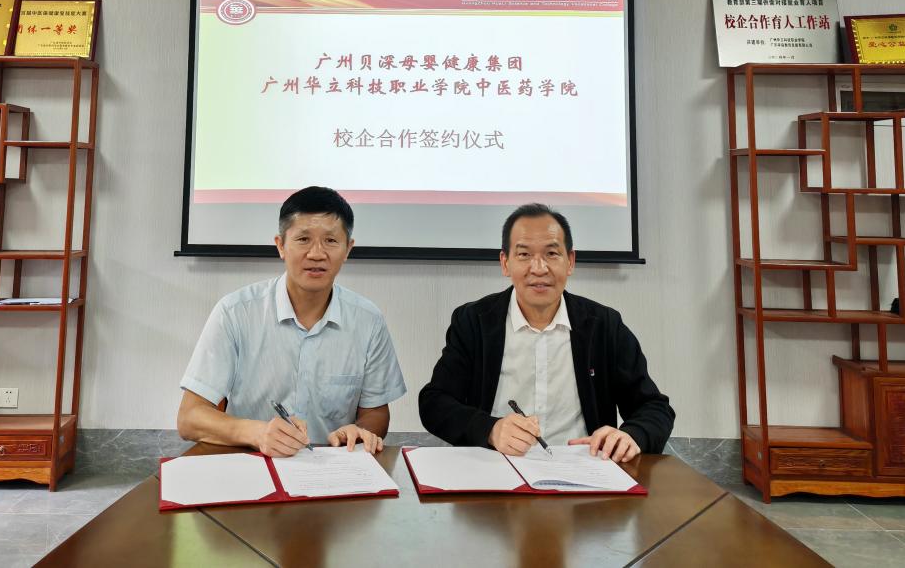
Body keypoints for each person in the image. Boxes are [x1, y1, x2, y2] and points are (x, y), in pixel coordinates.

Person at [419, 203, 673, 462]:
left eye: (552, 253)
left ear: (570, 261)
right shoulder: (474, 322)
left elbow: (654, 408)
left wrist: (632, 435)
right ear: (505, 263)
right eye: (524, 254)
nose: (539, 268)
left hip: (583, 469)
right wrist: (490, 429)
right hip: (496, 467)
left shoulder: (604, 326)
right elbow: (434, 402)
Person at [177, 186, 406, 457]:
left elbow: (376, 413)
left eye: (331, 241)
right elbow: (189, 418)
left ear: (348, 249)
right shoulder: (235, 313)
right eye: (303, 239)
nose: (317, 253)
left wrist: (358, 431)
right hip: (251, 463)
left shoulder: (368, 321)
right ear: (281, 246)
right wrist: (257, 433)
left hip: (332, 469)